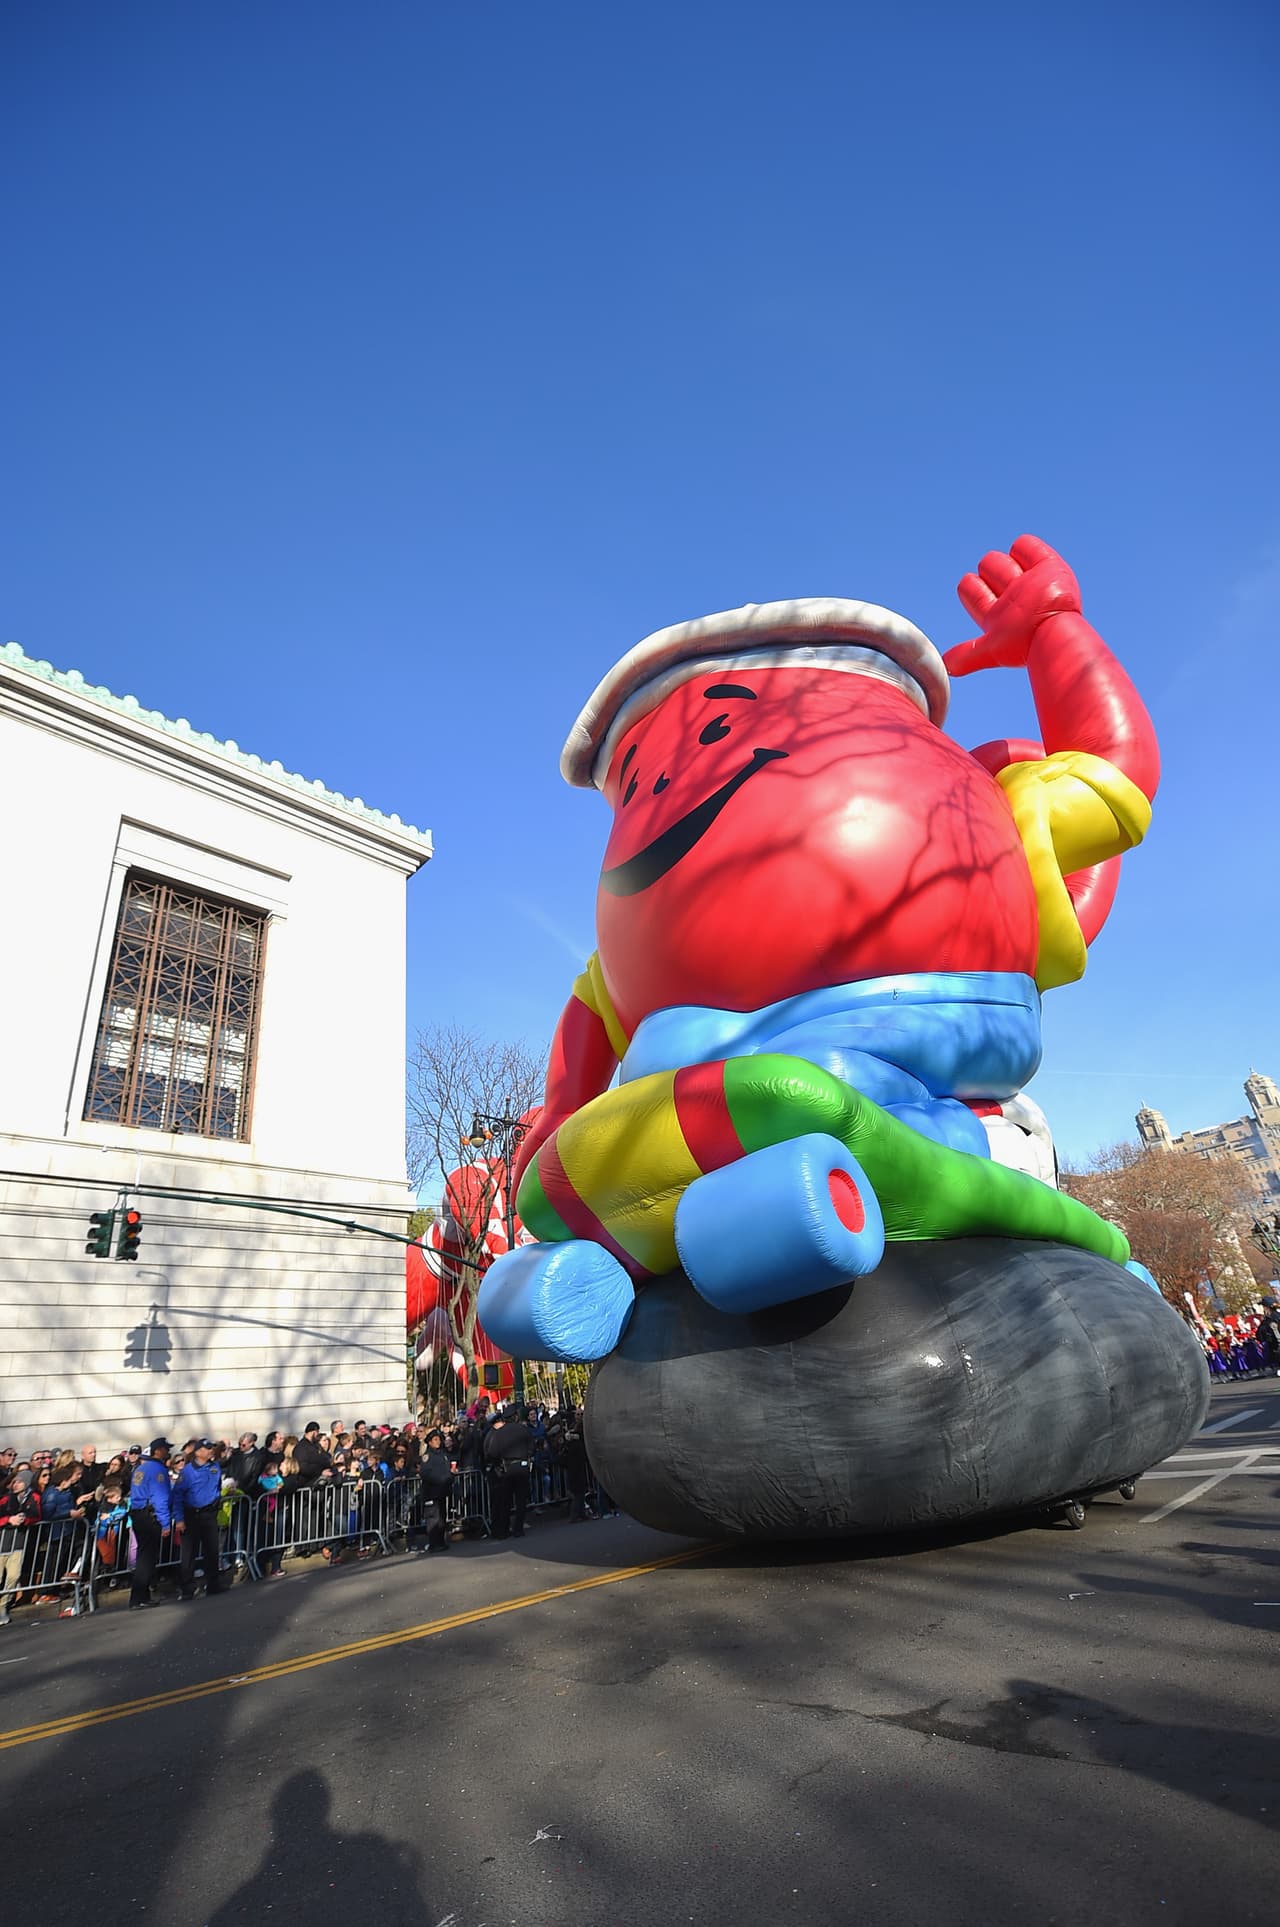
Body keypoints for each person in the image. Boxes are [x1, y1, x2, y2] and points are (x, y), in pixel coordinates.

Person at [173, 1439, 230, 1599]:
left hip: (209, 1514)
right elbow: (178, 1495)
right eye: (206, 1449)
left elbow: (217, 1486)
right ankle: (187, 1589)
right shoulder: (188, 1472)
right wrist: (179, 1519)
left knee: (212, 1550)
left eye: (211, 1448)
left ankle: (213, 1584)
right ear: (198, 1452)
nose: (210, 1451)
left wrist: (216, 1498)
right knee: (188, 1554)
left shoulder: (215, 1467)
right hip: (192, 1515)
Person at [129, 1438, 174, 1609]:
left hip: (139, 1513)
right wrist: (165, 1523)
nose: (167, 1452)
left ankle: (142, 1596)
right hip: (150, 1516)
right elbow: (160, 1497)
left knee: (144, 1556)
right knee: (147, 1559)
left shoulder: (141, 1468)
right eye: (165, 1449)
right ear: (158, 1451)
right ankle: (138, 1597)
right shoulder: (157, 1470)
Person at [483, 1407, 534, 1540]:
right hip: (522, 1466)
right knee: (521, 1500)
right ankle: (519, 1528)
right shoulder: (523, 1429)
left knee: (506, 1500)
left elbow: (492, 1453)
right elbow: (532, 1447)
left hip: (507, 1467)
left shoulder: (499, 1433)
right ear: (516, 1417)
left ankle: (505, 1529)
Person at [0, 1474, 37, 1624]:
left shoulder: (31, 1498)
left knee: (14, 1577)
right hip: (1, 1544)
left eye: (19, 1482)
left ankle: (2, 1606)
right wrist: (8, 1520)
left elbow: (37, 1516)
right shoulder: (5, 1499)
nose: (15, 1484)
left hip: (18, 1544)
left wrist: (25, 1520)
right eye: (14, 1482)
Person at [414, 1428, 455, 1553]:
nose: (438, 1442)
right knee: (433, 1519)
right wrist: (441, 1479)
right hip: (432, 1491)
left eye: (439, 1439)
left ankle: (440, 1542)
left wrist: (450, 1476)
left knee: (442, 1518)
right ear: (430, 1442)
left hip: (442, 1491)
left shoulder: (442, 1454)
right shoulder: (428, 1456)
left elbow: (446, 1470)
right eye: (435, 1440)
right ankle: (434, 1543)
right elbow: (426, 1474)